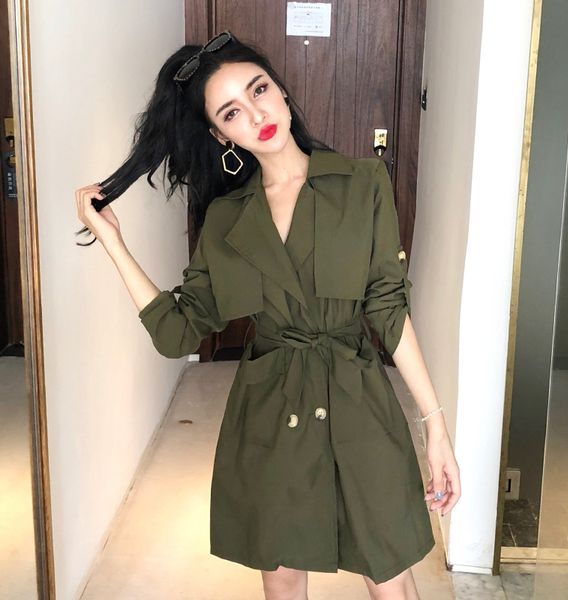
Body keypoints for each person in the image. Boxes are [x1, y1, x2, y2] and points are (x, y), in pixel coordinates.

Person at [74, 30, 460, 600]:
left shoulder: (362, 183)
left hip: (360, 404)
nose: (256, 114)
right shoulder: (227, 219)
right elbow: (178, 330)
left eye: (258, 90)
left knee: (388, 574)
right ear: (220, 135)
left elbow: (388, 308)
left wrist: (435, 426)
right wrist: (113, 243)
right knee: (281, 578)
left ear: (280, 88)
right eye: (231, 112)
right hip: (271, 413)